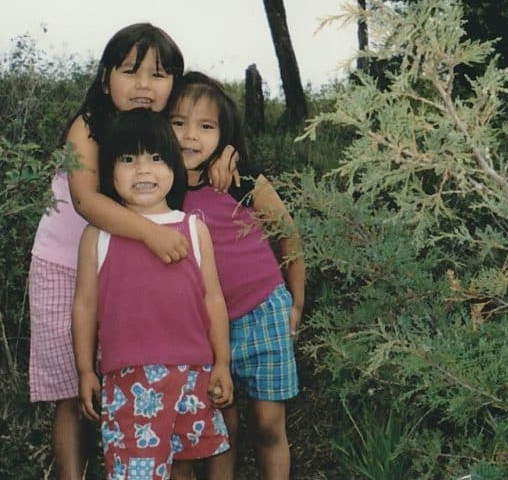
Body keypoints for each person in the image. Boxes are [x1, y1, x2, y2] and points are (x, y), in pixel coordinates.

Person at [28, 24, 235, 479]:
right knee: (73, 386)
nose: (144, 85)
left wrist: (227, 155)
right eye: (130, 72)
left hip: (129, 277)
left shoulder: (159, 129)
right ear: (106, 78)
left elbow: (205, 133)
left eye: (159, 75)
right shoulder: (88, 125)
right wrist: (150, 233)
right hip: (66, 262)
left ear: (173, 85)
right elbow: (86, 201)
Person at [72, 109, 233, 479]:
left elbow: (213, 299)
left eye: (156, 158)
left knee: (184, 467)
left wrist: (221, 362)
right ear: (109, 171)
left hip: (194, 373)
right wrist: (84, 369)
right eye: (128, 159)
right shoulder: (99, 235)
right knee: (136, 472)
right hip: (130, 380)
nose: (143, 170)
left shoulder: (194, 229)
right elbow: (84, 305)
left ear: (174, 166)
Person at [169, 72, 305, 480]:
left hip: (264, 311)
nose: (190, 136)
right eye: (178, 123)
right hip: (206, 326)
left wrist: (297, 303)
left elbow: (288, 235)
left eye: (206, 126)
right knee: (220, 428)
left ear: (224, 134)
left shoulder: (239, 178)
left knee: (268, 425)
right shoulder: (159, 185)